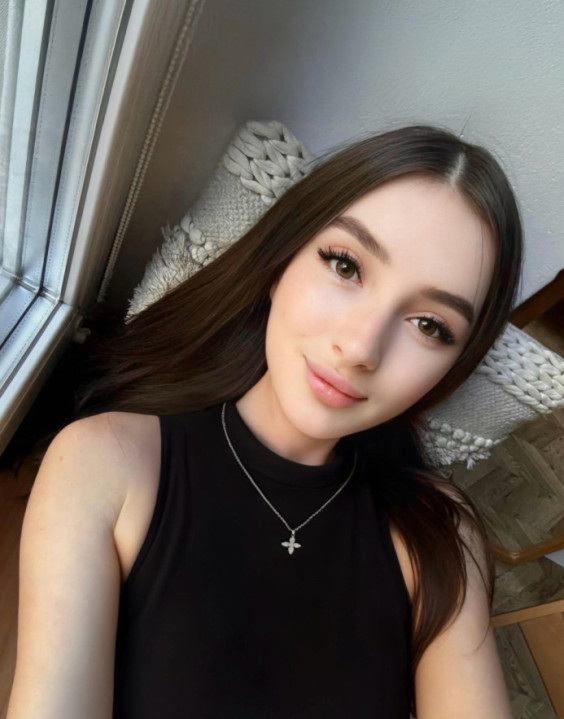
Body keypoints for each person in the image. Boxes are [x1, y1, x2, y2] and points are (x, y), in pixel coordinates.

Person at [7, 124, 523, 718]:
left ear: (453, 367)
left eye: (430, 326)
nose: (360, 348)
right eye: (346, 266)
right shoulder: (105, 461)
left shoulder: (438, 533)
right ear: (282, 260)